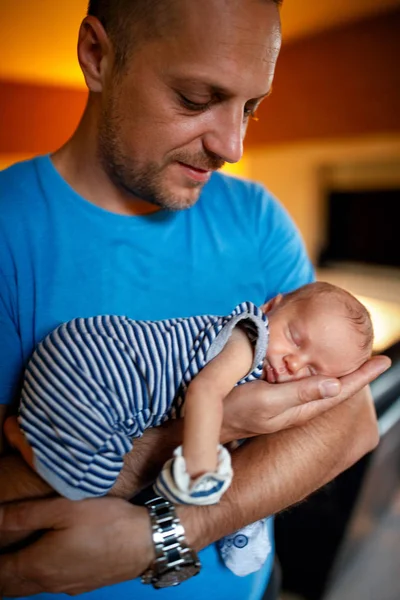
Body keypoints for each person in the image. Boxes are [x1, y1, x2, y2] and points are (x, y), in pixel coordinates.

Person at [0, 0, 389, 598]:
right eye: (196, 98)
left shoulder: (257, 217)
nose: (232, 145)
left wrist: (163, 535)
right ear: (97, 55)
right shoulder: (10, 228)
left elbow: (350, 420)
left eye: (251, 108)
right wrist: (210, 426)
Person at [5, 281, 374, 579]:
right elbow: (205, 391)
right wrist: (199, 462)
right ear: (270, 307)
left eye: (313, 370)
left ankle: (28, 432)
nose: (295, 363)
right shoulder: (249, 339)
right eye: (295, 338)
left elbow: (359, 427)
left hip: (82, 354)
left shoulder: (263, 360)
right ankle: (30, 440)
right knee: (89, 486)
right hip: (99, 371)